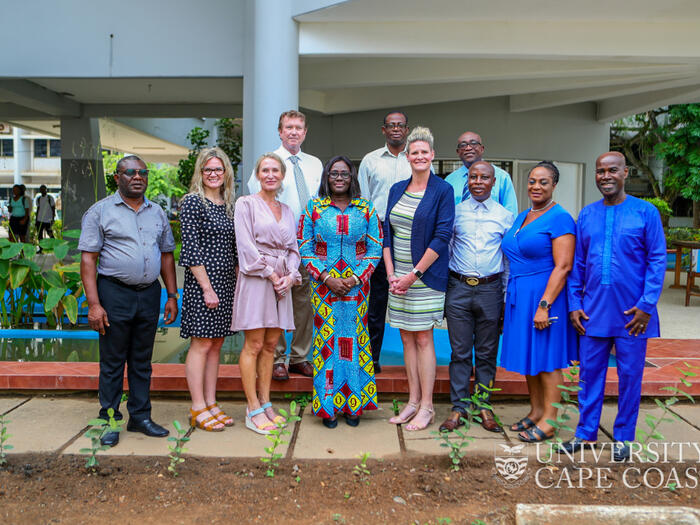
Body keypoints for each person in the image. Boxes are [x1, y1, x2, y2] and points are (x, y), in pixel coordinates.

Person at [563, 152, 666, 461]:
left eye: (612, 170)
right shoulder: (587, 214)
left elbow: (658, 260)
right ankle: (585, 434)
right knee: (588, 376)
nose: (605, 176)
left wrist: (646, 306)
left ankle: (624, 437)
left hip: (633, 315)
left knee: (630, 376)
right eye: (599, 171)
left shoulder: (645, 213)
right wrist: (574, 303)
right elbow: (578, 263)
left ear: (625, 172)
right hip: (592, 312)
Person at [79, 155, 178, 447]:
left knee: (142, 361)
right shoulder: (100, 212)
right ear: (117, 177)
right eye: (130, 172)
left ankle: (140, 417)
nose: (137, 177)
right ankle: (109, 419)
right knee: (112, 361)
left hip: (149, 293)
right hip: (114, 293)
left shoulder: (157, 212)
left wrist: (171, 295)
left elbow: (167, 255)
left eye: (142, 172)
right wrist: (94, 304)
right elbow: (88, 260)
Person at [298, 155, 383, 428]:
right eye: (333, 173)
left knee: (355, 342)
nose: (338, 178)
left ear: (352, 177)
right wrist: (326, 277)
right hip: (323, 290)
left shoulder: (366, 208)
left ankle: (354, 405)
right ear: (326, 177)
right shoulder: (314, 208)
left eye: (344, 174)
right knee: (327, 344)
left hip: (358, 289)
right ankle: (328, 406)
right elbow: (304, 246)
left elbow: (375, 247)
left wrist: (356, 278)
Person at [383, 126, 455, 431]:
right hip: (396, 277)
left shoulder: (442, 190)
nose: (420, 156)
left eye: (425, 152)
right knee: (405, 337)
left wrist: (413, 275)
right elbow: (386, 233)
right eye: (415, 152)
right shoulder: (396, 189)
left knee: (424, 337)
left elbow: (442, 237)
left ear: (433, 156)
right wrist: (391, 274)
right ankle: (412, 402)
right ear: (408, 157)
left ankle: (427, 406)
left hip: (424, 277)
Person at [500, 161, 577, 443]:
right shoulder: (523, 216)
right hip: (520, 294)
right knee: (530, 358)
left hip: (545, 295)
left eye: (543, 182)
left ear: (554, 185)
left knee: (547, 360)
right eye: (532, 181)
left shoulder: (560, 218)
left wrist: (544, 304)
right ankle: (536, 411)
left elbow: (564, 265)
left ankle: (551, 420)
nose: (536, 186)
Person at [247, 110, 322, 381]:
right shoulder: (269, 163)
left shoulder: (315, 165)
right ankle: (277, 358)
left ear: (304, 132)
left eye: (298, 128)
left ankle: (300, 356)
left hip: (309, 244)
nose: (293, 132)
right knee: (277, 298)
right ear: (280, 131)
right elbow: (254, 204)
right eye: (288, 127)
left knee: (305, 302)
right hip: (276, 246)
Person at [439, 161, 514, 433]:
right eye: (473, 177)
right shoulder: (455, 213)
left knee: (486, 352)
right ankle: (459, 408)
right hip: (458, 288)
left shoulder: (506, 216)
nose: (479, 181)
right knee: (459, 353)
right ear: (467, 181)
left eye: (485, 177)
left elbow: (507, 261)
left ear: (494, 182)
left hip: (490, 290)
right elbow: (445, 251)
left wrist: (504, 296)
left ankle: (484, 405)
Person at [234, 153, 301, 434]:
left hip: (281, 283)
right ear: (257, 175)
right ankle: (252, 408)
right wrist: (272, 274)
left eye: (275, 170)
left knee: (272, 345)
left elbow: (293, 249)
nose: (270, 174)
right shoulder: (245, 204)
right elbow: (245, 245)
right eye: (265, 170)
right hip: (257, 278)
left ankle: (266, 402)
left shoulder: (287, 210)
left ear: (282, 176)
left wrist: (290, 276)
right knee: (254, 344)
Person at [179, 147, 237, 432]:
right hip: (205, 284)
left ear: (226, 173)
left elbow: (233, 248)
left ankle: (212, 403)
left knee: (216, 344)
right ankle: (198, 406)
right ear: (200, 173)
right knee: (201, 343)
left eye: (218, 169)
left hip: (226, 282)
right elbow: (190, 250)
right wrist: (207, 288)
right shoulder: (192, 203)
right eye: (208, 170)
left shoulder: (228, 204)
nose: (213, 174)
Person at [358, 111, 412, 374]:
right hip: (378, 230)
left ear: (407, 129)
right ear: (383, 130)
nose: (395, 129)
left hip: (410, 232)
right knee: (376, 299)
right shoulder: (370, 161)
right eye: (391, 125)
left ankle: (412, 360)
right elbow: (364, 203)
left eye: (400, 125)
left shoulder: (418, 158)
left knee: (409, 293)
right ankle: (372, 358)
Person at [444, 131, 518, 215]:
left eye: (473, 143)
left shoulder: (502, 177)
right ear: (458, 152)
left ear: (482, 149)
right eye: (463, 145)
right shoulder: (449, 180)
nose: (468, 148)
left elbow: (511, 213)